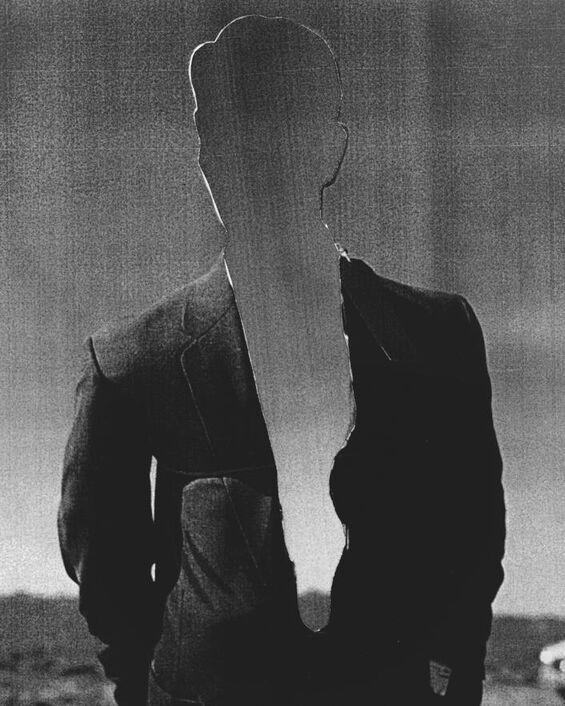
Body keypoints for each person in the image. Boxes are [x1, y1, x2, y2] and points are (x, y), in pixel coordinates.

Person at [58, 15, 505, 706]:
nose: (244, 163)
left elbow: (472, 530)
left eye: (275, 135)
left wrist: (455, 679)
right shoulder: (132, 358)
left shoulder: (436, 333)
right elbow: (102, 559)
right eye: (220, 136)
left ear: (330, 148)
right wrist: (144, 688)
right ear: (205, 159)